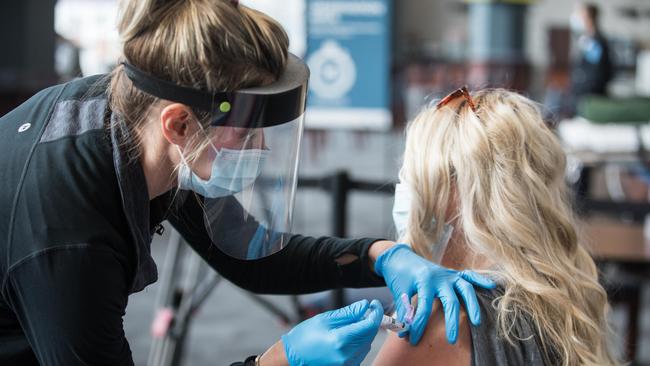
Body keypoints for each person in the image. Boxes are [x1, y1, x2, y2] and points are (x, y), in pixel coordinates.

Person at [0, 1, 495, 365]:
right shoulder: (69, 241)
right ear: (178, 125)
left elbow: (251, 251)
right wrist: (279, 361)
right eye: (247, 127)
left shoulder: (140, 121)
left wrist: (381, 256)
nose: (258, 147)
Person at [373, 87, 620, 365]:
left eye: (411, 175)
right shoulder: (562, 301)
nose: (406, 187)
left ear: (455, 191)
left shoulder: (442, 320)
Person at [570, 2, 612, 100]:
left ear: (589, 19)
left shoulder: (597, 42)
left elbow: (597, 72)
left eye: (581, 16)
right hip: (581, 93)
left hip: (591, 96)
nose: (578, 19)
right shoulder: (585, 39)